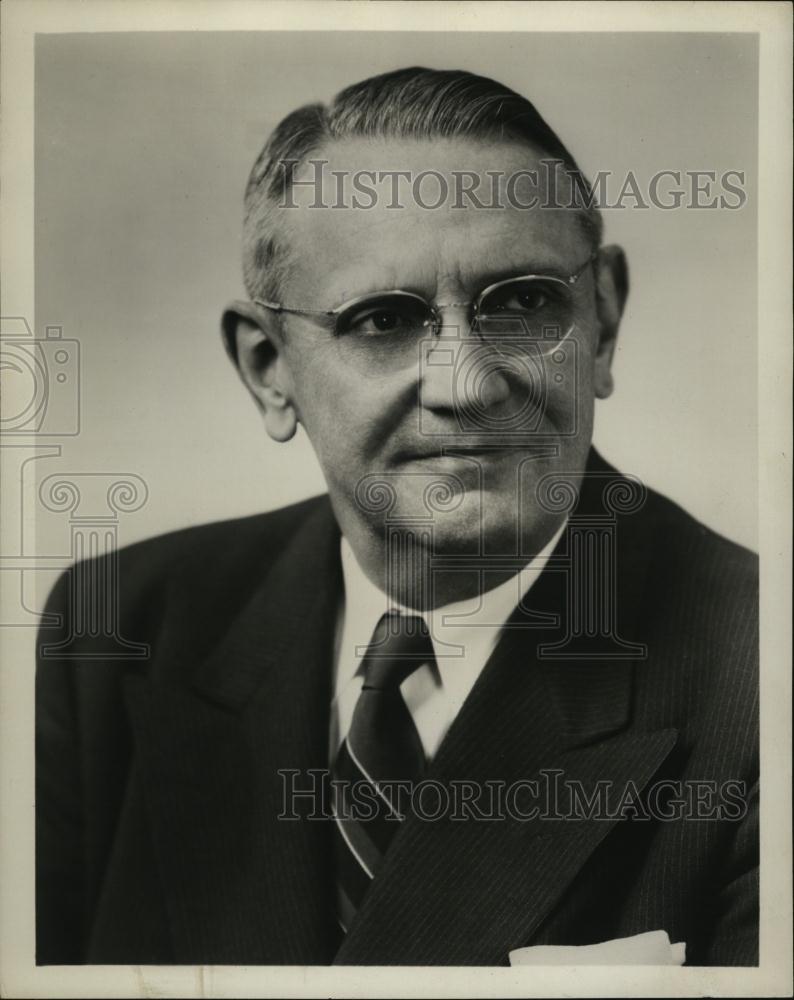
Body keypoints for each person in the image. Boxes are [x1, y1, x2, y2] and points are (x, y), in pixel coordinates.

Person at [36, 67, 758, 967]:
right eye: (384, 321)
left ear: (602, 319)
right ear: (269, 368)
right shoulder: (116, 630)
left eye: (526, 302)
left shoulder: (762, 674)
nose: (468, 385)